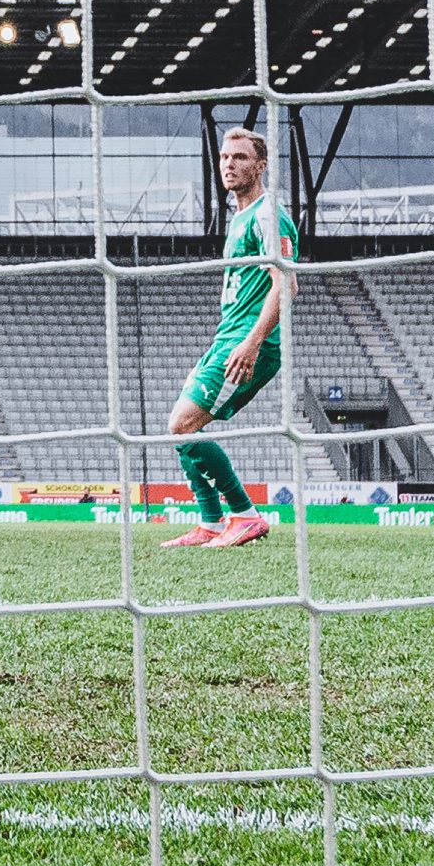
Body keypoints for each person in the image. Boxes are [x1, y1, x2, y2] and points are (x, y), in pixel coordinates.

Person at [160, 126, 295, 551]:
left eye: (239, 157)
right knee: (178, 428)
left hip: (253, 341)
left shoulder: (267, 213)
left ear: (261, 164)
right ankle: (212, 522)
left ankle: (247, 515)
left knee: (183, 424)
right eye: (224, 157)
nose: (229, 165)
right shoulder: (240, 216)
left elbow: (286, 285)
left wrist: (252, 341)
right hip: (228, 336)